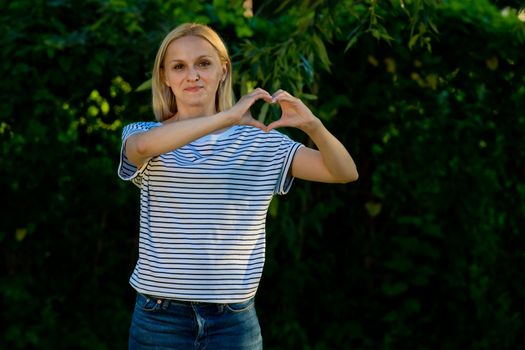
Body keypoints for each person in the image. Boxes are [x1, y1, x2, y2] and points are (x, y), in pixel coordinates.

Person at [118, 22, 358, 350]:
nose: (192, 75)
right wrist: (226, 117)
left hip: (232, 320)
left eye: (203, 63)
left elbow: (343, 172)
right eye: (179, 66)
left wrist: (314, 126)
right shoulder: (144, 132)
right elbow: (141, 150)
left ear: (222, 70)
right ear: (164, 77)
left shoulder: (261, 142)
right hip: (160, 316)